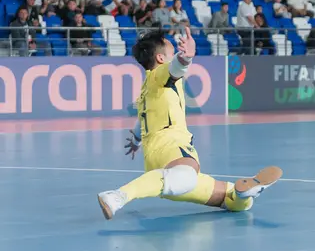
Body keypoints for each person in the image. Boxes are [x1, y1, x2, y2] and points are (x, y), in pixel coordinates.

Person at [97, 28, 282, 219]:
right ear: (161, 59)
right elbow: (175, 68)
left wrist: (136, 140)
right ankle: (118, 196)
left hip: (154, 157)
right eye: (172, 52)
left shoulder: (146, 89)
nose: (176, 53)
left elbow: (142, 120)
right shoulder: (158, 75)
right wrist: (186, 57)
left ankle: (244, 193)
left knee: (233, 201)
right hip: (172, 145)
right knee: (185, 177)